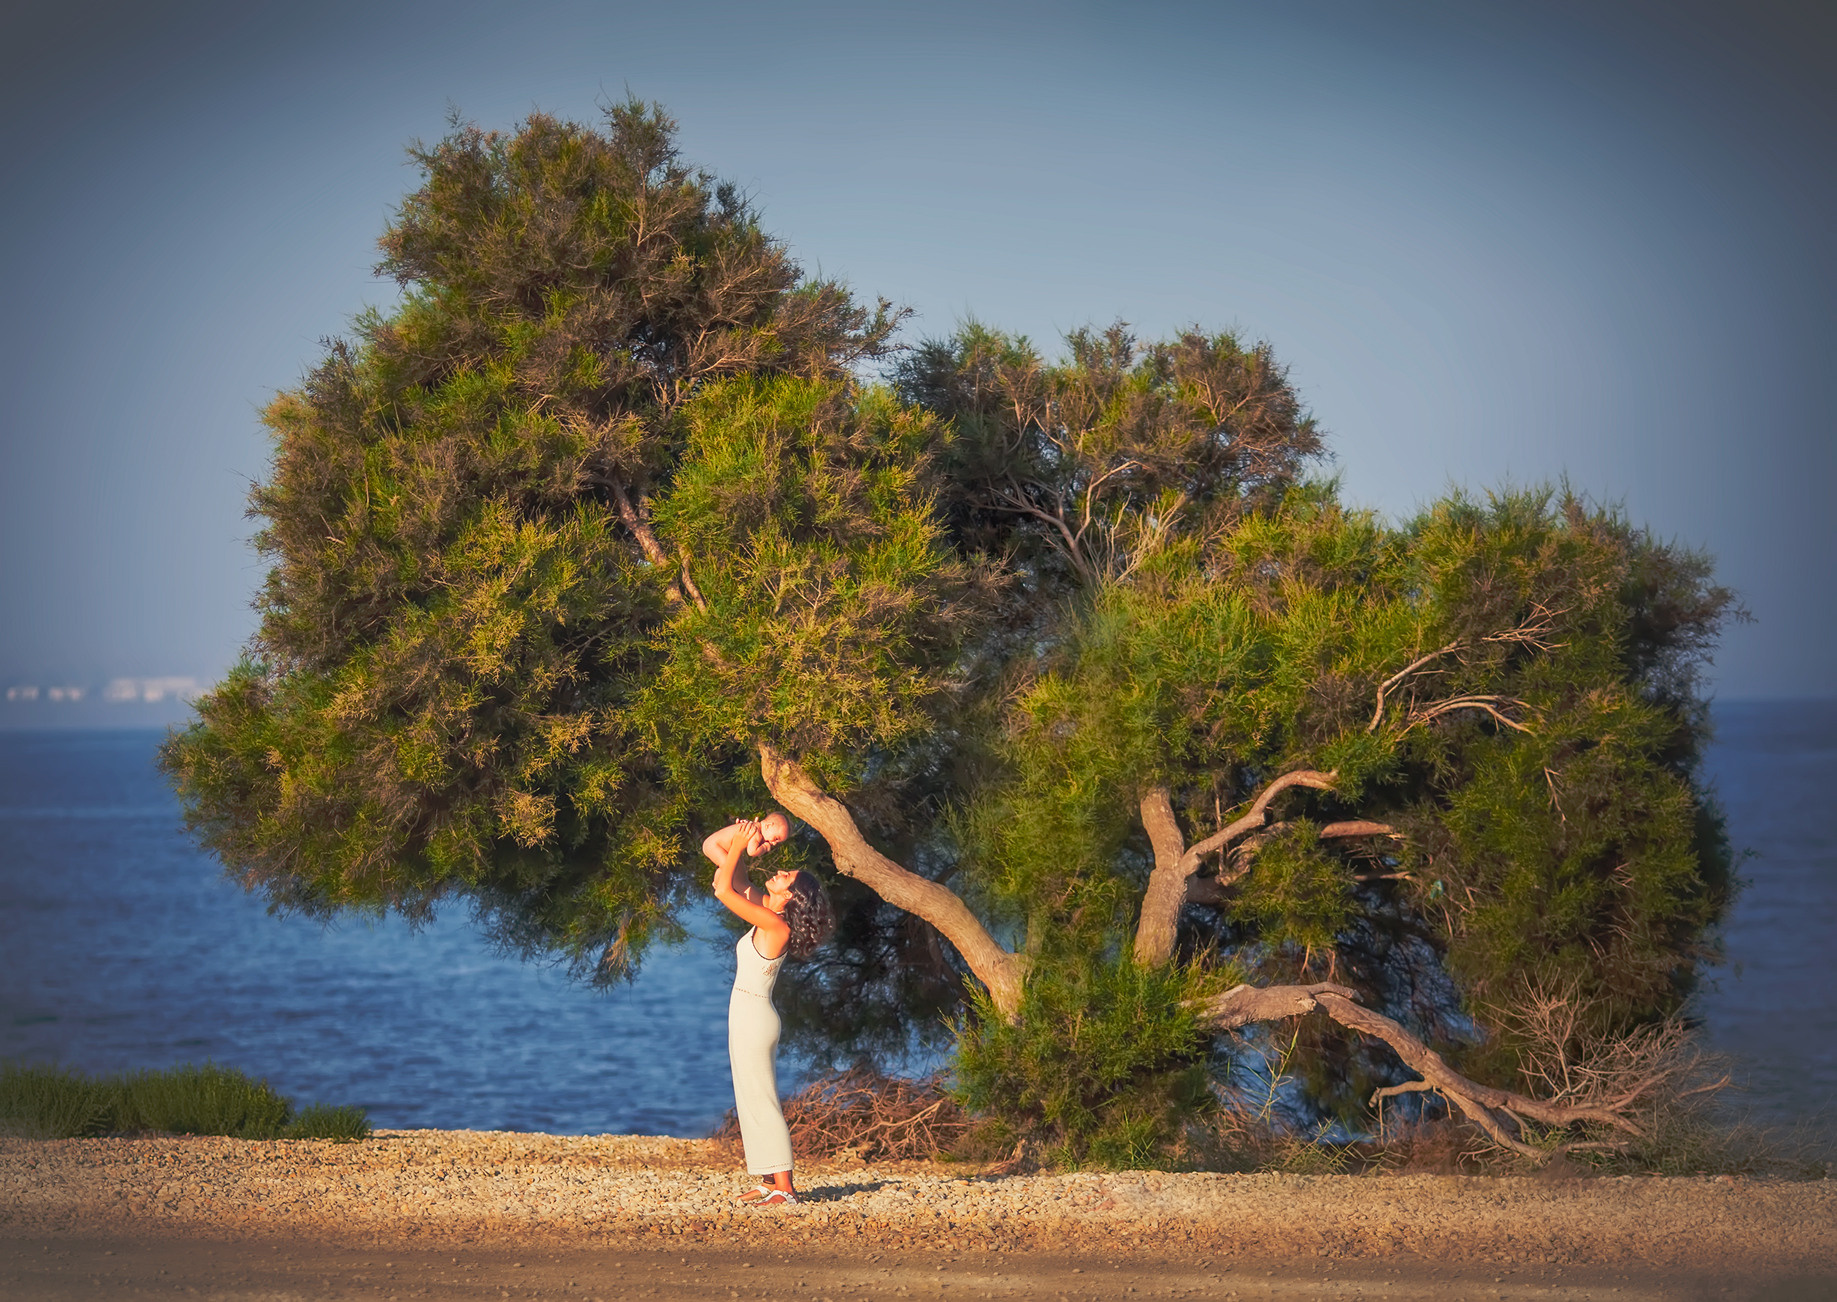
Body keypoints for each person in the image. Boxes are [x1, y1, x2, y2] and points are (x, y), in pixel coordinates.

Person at [703, 812, 833, 1206]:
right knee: (749, 1097)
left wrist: (742, 847)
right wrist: (742, 835)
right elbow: (716, 858)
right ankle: (767, 1181)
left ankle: (786, 1188)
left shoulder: (777, 926)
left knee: (763, 1099)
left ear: (792, 896)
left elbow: (723, 893)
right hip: (746, 1013)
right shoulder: (766, 907)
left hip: (755, 1016)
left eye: (786, 876)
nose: (777, 870)